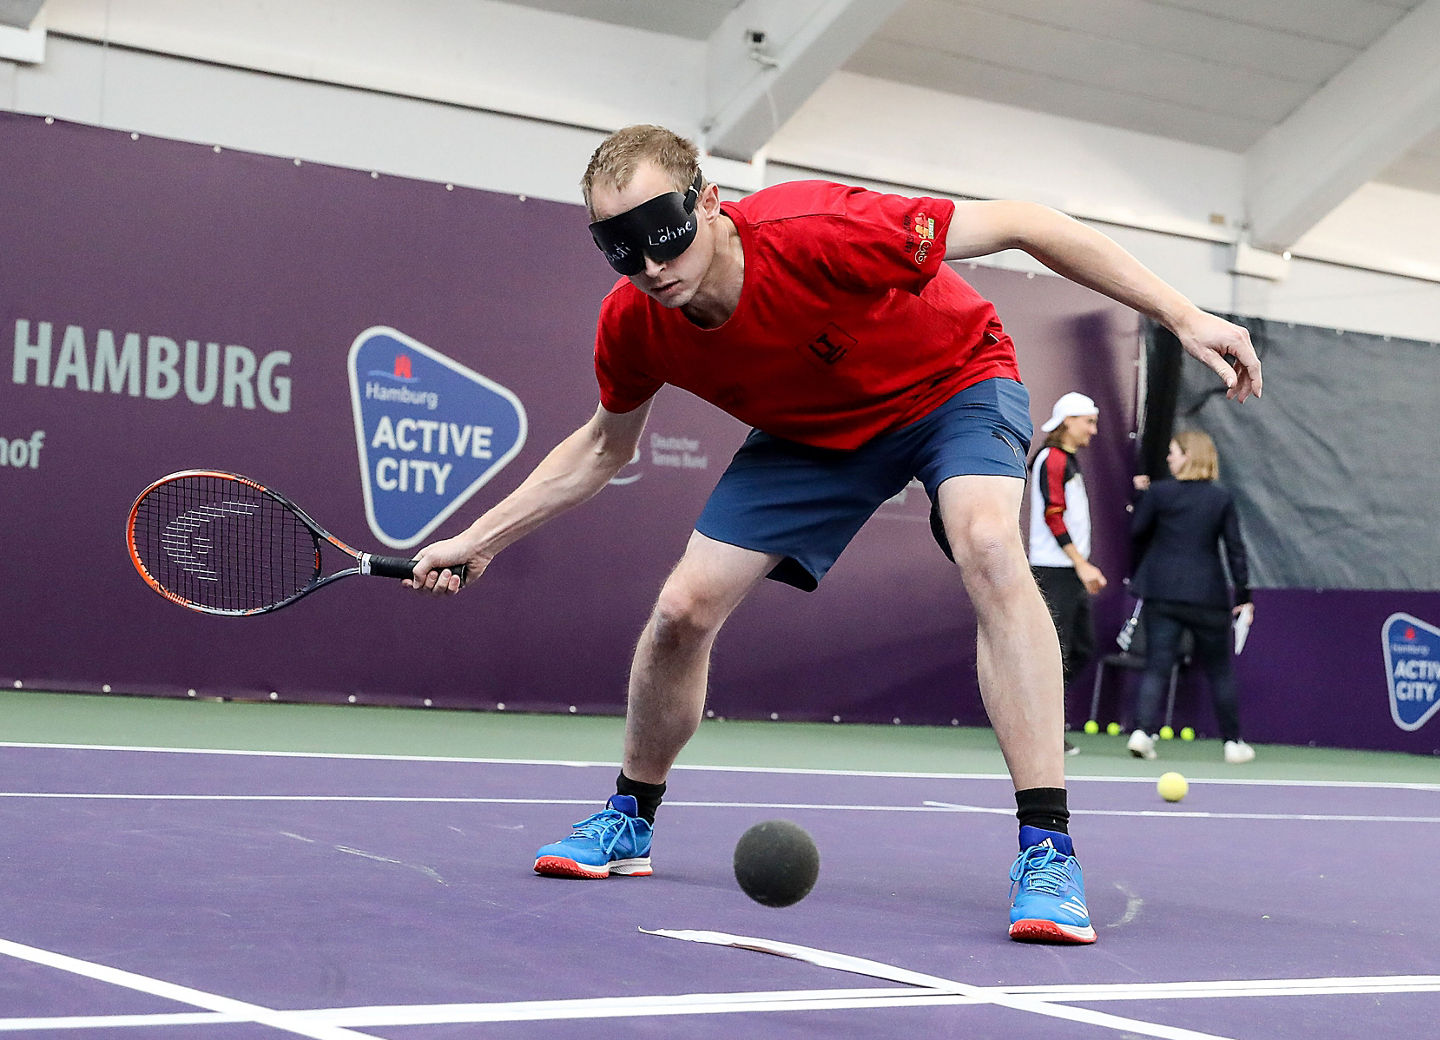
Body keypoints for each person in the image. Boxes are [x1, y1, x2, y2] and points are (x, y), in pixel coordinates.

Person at [406, 124, 1262, 945]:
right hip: (811, 435)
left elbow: (1026, 224)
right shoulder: (636, 321)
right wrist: (482, 537)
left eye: (663, 232)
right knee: (682, 610)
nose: (652, 264)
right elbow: (603, 444)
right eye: (621, 248)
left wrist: (1184, 317)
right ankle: (629, 820)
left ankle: (1046, 848)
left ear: (708, 203)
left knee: (990, 544)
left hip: (951, 383)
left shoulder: (818, 229)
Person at [1126, 430, 1256, 764]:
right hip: (1207, 595)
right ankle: (1232, 743)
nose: (1169, 458)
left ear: (1188, 455)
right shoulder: (1220, 498)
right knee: (1220, 670)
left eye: (1174, 452)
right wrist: (1243, 594)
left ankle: (1142, 732)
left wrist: (1143, 498)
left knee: (1157, 664)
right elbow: (1235, 549)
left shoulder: (1159, 493)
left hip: (1163, 592)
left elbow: (1137, 531)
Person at [1028, 392, 1108, 755]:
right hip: (1053, 569)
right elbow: (1053, 515)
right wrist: (1082, 563)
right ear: (1068, 421)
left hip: (1068, 571)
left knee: (1080, 649)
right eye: (1088, 422)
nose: (1093, 430)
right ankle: (1042, 732)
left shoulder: (1066, 460)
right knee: (1054, 654)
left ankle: (1036, 721)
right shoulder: (1051, 459)